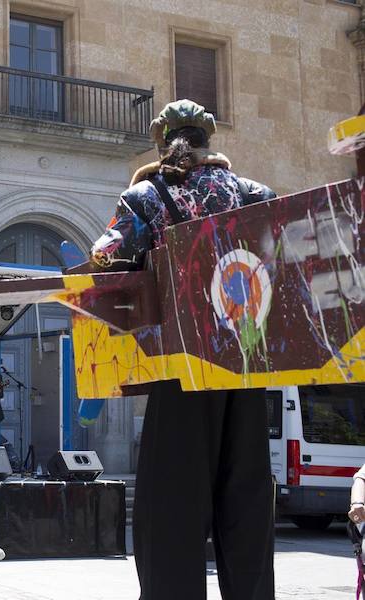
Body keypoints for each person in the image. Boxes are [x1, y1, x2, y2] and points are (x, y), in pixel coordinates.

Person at [90, 99, 276, 600]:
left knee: (169, 510)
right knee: (248, 508)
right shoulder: (254, 192)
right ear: (208, 141)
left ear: (162, 140)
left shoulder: (148, 195)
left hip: (183, 368)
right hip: (246, 368)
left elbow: (106, 254)